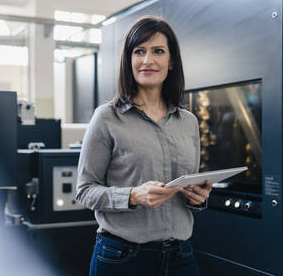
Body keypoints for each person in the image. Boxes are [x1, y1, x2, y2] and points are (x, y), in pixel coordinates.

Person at [76, 16, 212, 276]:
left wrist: (198, 197)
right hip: (122, 258)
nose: (147, 60)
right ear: (129, 60)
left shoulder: (189, 121)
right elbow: (84, 191)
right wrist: (133, 195)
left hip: (180, 256)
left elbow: (187, 187)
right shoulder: (107, 117)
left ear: (171, 62)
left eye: (158, 51)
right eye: (139, 51)